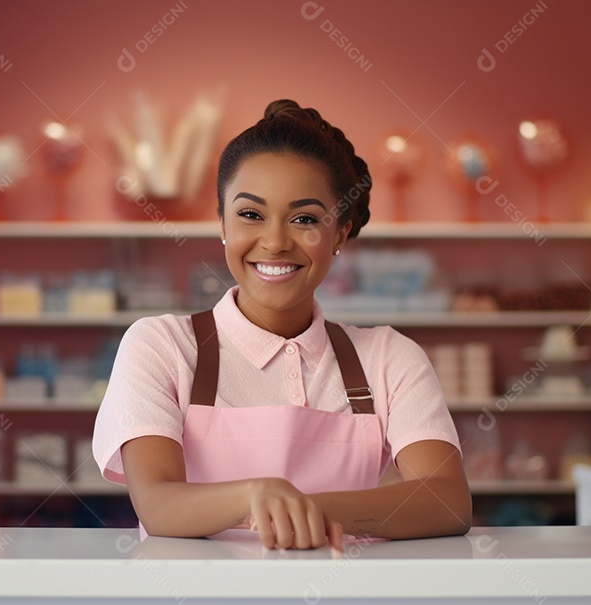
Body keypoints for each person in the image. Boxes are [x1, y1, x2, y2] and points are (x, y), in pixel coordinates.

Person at [93, 99, 471, 551]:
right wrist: (257, 494)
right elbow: (158, 505)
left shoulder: (389, 358)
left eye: (305, 219)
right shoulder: (160, 345)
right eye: (250, 215)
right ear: (222, 225)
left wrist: (305, 508)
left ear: (341, 234)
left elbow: (446, 500)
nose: (274, 242)